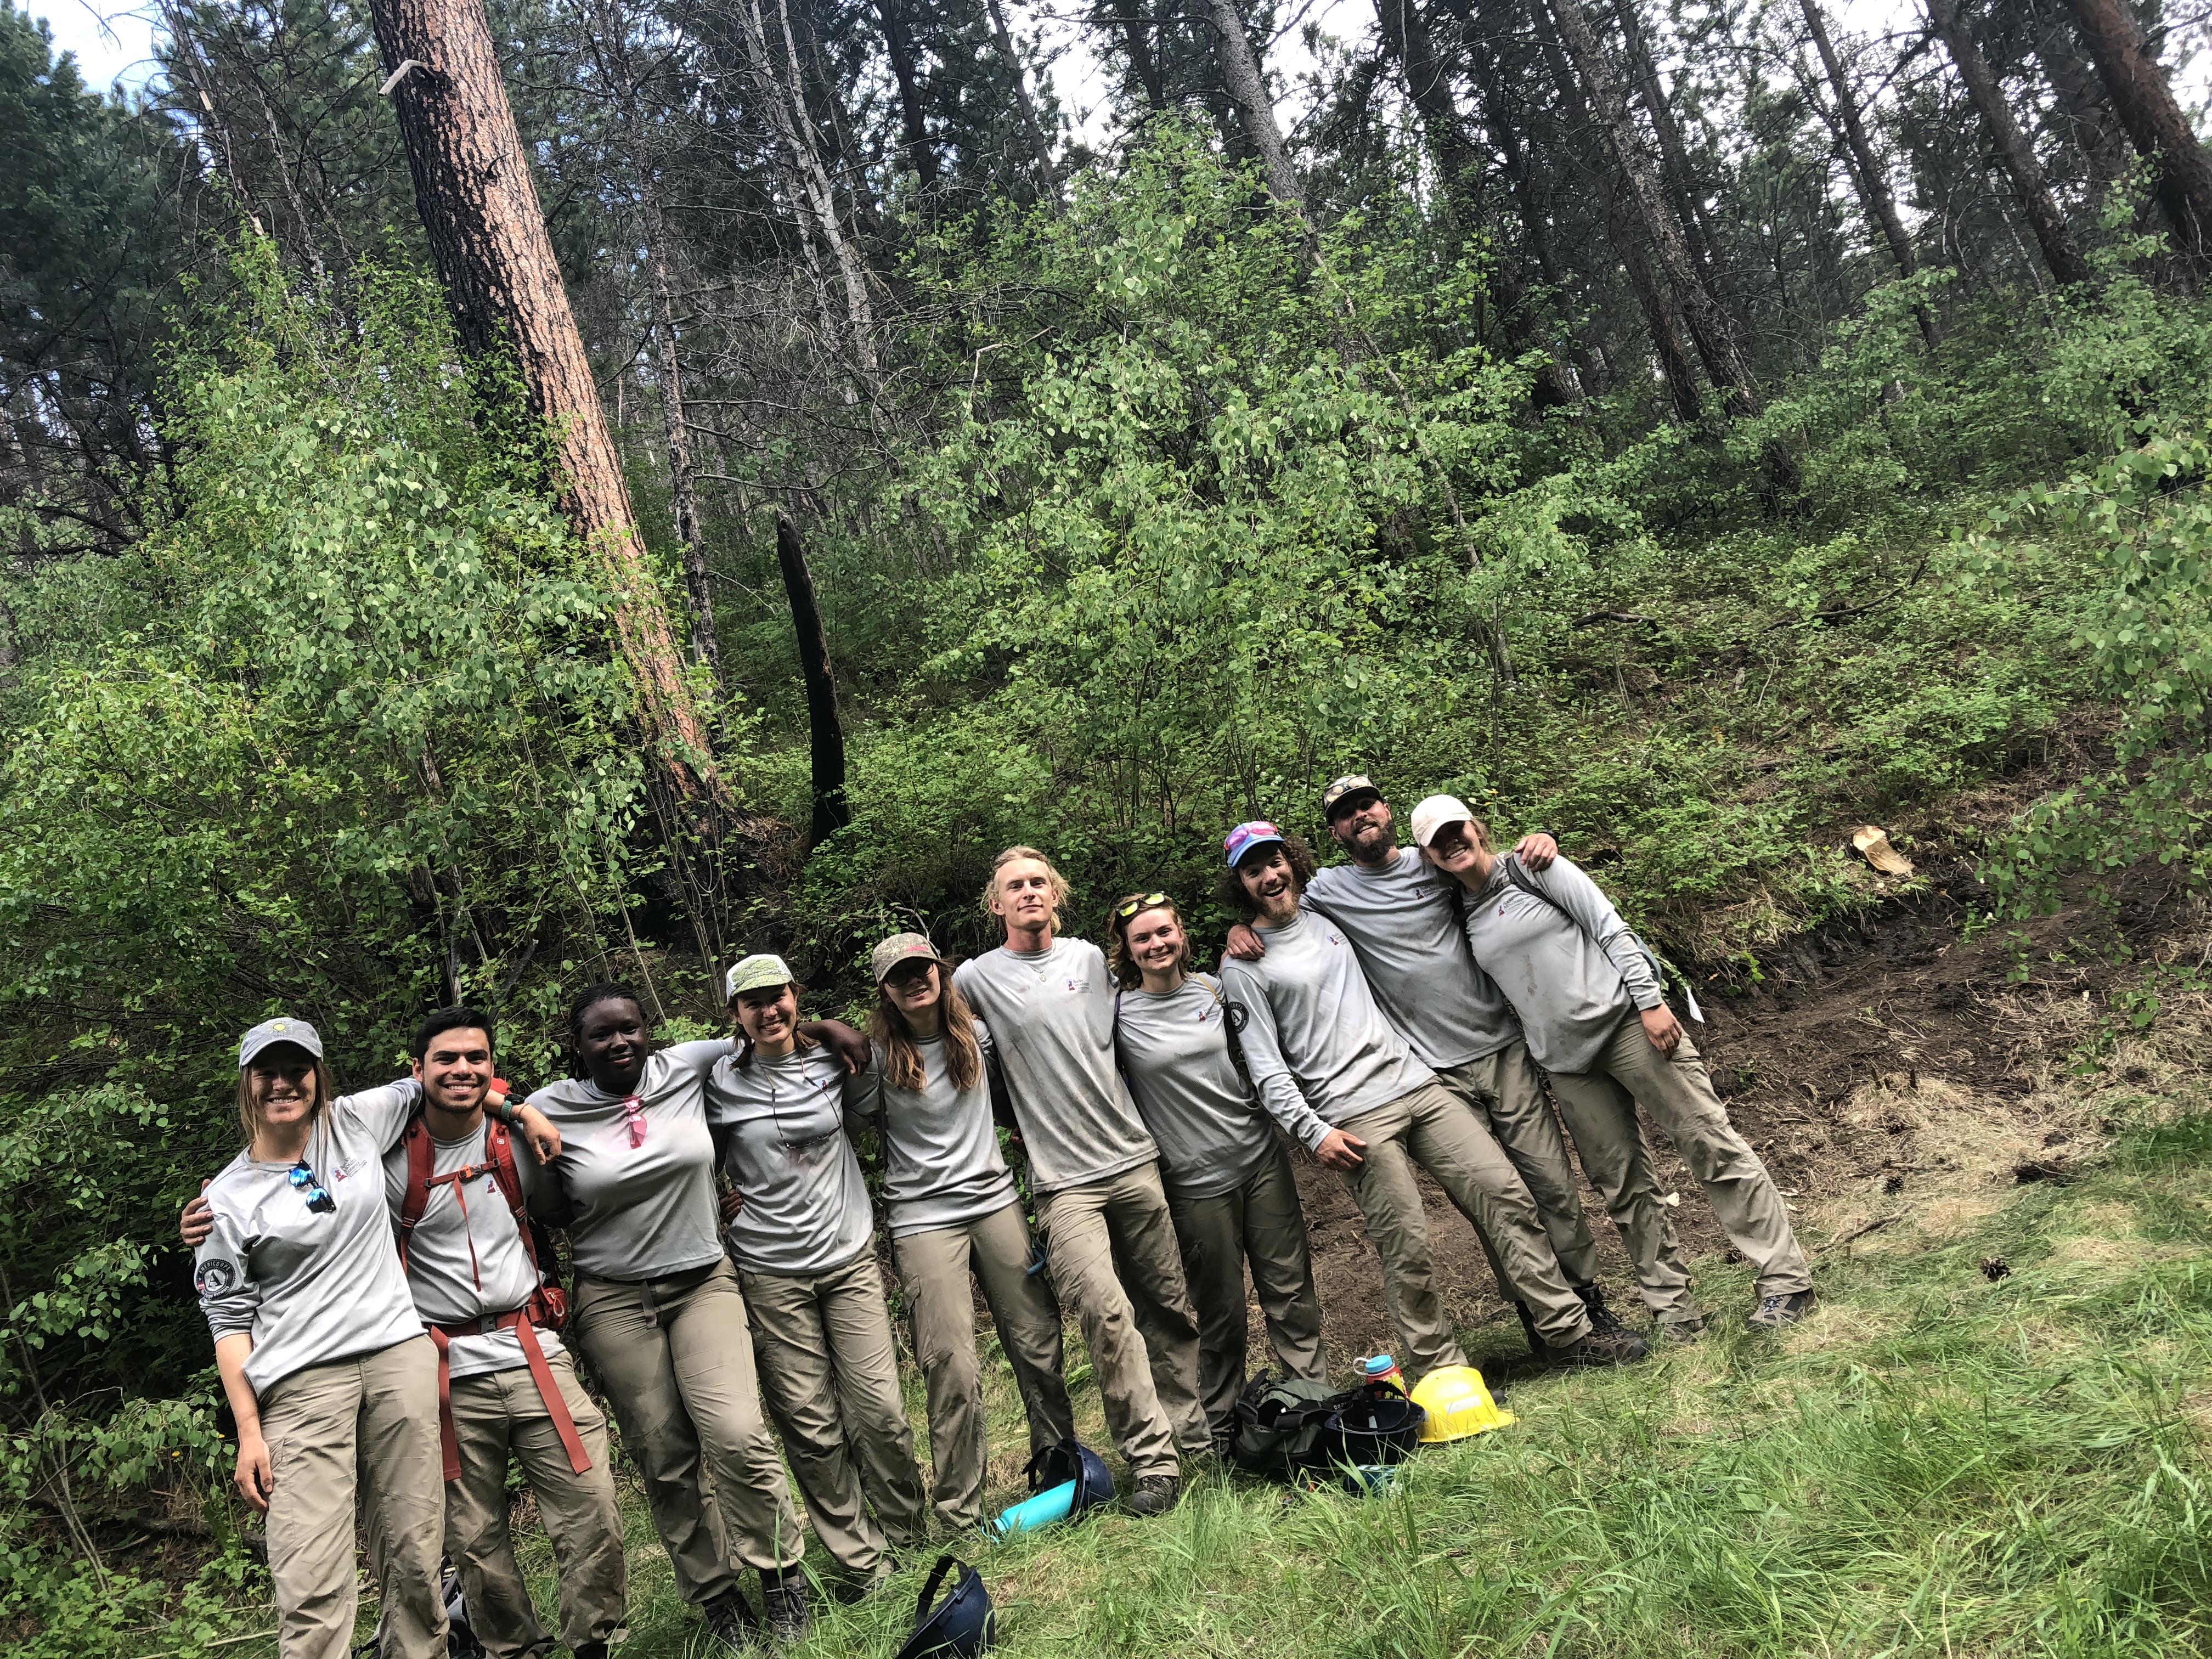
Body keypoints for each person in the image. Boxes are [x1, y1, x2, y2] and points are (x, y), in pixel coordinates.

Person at [185, 1010, 624, 1659]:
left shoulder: (358, 1122)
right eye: (268, 1074)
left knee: (416, 1551)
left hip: (400, 1358)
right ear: (247, 1084)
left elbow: (451, 1080)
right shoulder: (224, 1199)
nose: (284, 1084)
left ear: (319, 1077)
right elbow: (228, 1322)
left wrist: (522, 1110)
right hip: (303, 1385)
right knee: (310, 1567)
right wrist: (249, 1430)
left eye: (297, 1070)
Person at [1214, 822, 1650, 1376]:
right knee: (1408, 1244)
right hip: (1351, 1113)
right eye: (1254, 871)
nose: (1269, 876)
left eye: (1275, 863)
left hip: (1416, 1082)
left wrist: (1538, 840)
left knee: (1505, 1194)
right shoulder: (1244, 966)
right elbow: (1264, 1065)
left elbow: (1461, 868)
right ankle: (1440, 1372)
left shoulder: (1328, 917)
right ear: (1241, 886)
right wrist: (1311, 1130)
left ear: (1294, 865)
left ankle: (1567, 1332)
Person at [1414, 795, 1817, 1332]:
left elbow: (1608, 926)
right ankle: (1674, 1311)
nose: (1451, 843)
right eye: (1436, 841)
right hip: (1567, 1064)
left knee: (1709, 1143)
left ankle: (1786, 1281)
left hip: (1628, 1026)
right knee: (1623, 1188)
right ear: (1427, 856)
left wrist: (1649, 1002)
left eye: (1455, 829)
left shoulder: (1536, 868)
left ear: (1475, 827)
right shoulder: (1457, 914)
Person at [524, 985, 811, 1650]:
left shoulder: (687, 1066)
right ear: (578, 1044)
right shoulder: (548, 1109)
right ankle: (717, 1597)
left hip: (704, 1280)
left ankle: (781, 1576)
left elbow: (770, 1031)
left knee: (736, 1430)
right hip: (614, 1298)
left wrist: (836, 1030)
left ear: (647, 1031)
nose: (619, 1042)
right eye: (601, 1034)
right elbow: (545, 1205)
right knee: (664, 1452)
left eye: (629, 1028)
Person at [951, 845, 1207, 1517]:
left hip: (1132, 1157)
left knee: (1167, 1307)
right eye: (1015, 886)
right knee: (1106, 1312)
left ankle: (1197, 1437)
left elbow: (1157, 990)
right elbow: (929, 1029)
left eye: (1039, 882)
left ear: (1056, 894)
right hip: (1063, 1183)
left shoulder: (1093, 958)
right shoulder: (977, 977)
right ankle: (1154, 1463)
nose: (1029, 892)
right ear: (996, 904)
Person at [709, 953, 927, 1593]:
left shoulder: (838, 1060)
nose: (768, 1011)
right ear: (736, 1015)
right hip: (770, 1271)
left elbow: (872, 1113)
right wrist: (717, 1198)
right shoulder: (717, 1080)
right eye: (753, 1003)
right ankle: (862, 1561)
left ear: (795, 996)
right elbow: (690, 1153)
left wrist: (835, 1028)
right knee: (811, 1424)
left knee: (881, 1408)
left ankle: (907, 1536)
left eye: (778, 996)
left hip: (848, 1255)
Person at [845, 932, 1076, 1532]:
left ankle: (1061, 1469)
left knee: (1036, 1340)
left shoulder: (978, 1035)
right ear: (886, 992)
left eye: (924, 968)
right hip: (922, 1217)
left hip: (995, 1199)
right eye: (901, 976)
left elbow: (1015, 1094)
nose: (915, 981)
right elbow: (835, 1125)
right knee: (951, 1362)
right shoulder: (872, 1061)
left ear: (940, 972)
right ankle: (958, 1511)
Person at [1107, 892, 1328, 1447]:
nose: (1156, 944)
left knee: (1290, 1290)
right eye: (1143, 939)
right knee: (1221, 1310)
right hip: (1193, 1184)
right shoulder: (1114, 1015)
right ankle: (1225, 1426)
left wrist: (1237, 929)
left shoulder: (1216, 988)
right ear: (1128, 951)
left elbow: (1260, 1045)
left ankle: (1312, 1402)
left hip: (1259, 1160)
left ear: (1181, 933)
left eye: (1164, 932)